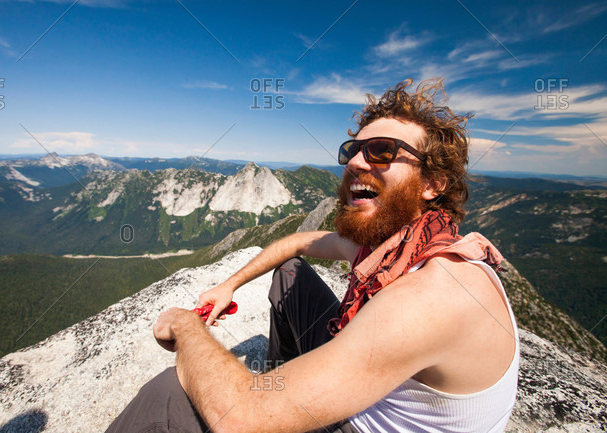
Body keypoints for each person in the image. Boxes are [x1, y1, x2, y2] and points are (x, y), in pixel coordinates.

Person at [105, 78, 519, 433]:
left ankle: (284, 412)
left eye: (381, 151)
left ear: (433, 184)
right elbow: (299, 244)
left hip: (362, 424)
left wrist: (184, 326)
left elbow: (240, 418)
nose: (355, 162)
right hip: (374, 391)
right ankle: (288, 383)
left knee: (166, 393)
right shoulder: (397, 247)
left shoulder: (431, 294)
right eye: (352, 151)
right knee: (291, 273)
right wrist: (229, 284)